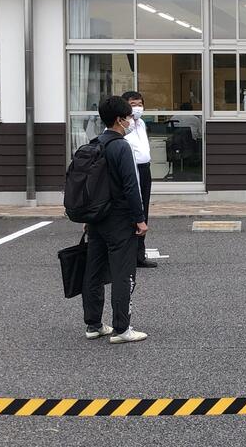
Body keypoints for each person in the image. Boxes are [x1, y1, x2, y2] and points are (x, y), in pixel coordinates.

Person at [82, 96, 148, 344]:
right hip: (119, 219)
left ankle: (94, 325)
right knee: (123, 273)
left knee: (93, 271)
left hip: (96, 217)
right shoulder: (122, 147)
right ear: (120, 120)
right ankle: (122, 328)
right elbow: (132, 187)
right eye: (129, 116)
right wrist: (140, 219)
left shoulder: (95, 144)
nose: (131, 120)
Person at [122, 91, 156, 268]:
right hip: (130, 171)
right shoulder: (121, 125)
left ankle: (139, 255)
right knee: (132, 210)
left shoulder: (141, 123)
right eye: (133, 104)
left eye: (140, 104)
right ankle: (128, 255)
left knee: (143, 210)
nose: (137, 108)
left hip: (144, 169)